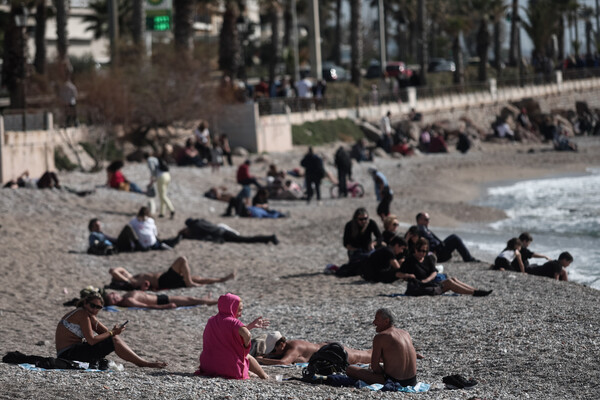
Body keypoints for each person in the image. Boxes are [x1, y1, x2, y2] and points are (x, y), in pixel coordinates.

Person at [55, 292, 167, 368]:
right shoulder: (82, 314)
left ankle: (142, 362)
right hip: (68, 354)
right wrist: (112, 332)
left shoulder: (87, 315)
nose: (94, 309)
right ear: (85, 303)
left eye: (98, 307)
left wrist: (110, 331)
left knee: (113, 338)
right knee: (113, 339)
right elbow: (92, 340)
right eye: (92, 306)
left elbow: (105, 333)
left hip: (72, 352)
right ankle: (142, 363)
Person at [196, 293, 269, 379]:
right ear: (232, 308)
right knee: (247, 357)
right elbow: (247, 335)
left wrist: (250, 326)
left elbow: (229, 334)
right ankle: (264, 376)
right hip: (230, 369)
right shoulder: (234, 323)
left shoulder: (211, 320)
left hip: (208, 367)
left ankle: (249, 372)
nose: (240, 314)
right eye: (239, 310)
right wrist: (245, 347)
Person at [345, 308, 417, 386]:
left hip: (395, 381)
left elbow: (375, 367)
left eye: (376, 319)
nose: (374, 322)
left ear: (386, 321)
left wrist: (378, 372)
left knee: (350, 369)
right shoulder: (405, 333)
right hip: (412, 381)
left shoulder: (381, 337)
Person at [398, 238, 492, 296]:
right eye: (420, 250)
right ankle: (474, 293)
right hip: (419, 288)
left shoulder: (427, 258)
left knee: (453, 279)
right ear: (415, 249)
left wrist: (427, 280)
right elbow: (398, 273)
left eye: (424, 251)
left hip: (429, 284)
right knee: (450, 283)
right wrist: (408, 275)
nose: (422, 253)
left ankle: (475, 290)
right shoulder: (410, 260)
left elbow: (434, 271)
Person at [107, 256, 235, 291]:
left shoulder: (130, 276)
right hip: (164, 281)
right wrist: (124, 278)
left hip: (166, 279)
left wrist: (123, 273)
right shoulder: (130, 281)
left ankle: (221, 279)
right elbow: (113, 270)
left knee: (198, 278)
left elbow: (119, 269)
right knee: (182, 260)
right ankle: (190, 283)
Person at [256, 331, 371, 365]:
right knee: (363, 354)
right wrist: (268, 356)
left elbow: (283, 362)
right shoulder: (286, 347)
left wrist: (261, 360)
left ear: (281, 344)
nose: (274, 353)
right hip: (327, 348)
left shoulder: (294, 347)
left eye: (274, 350)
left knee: (365, 356)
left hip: (332, 352)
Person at [336, 236, 408, 283]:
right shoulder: (389, 252)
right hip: (375, 276)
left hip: (369, 274)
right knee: (398, 274)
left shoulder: (386, 249)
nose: (401, 251)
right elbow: (398, 268)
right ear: (396, 245)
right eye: (402, 248)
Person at [179, 218, 279, 245]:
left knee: (246, 239)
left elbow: (199, 236)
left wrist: (185, 235)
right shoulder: (201, 221)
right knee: (246, 238)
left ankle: (269, 237)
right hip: (223, 230)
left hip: (222, 234)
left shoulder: (196, 227)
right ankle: (266, 239)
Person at [103, 290, 217, 309]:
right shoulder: (128, 301)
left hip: (160, 297)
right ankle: (216, 302)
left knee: (190, 299)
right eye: (113, 299)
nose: (115, 296)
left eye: (113, 294)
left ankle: (204, 300)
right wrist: (165, 306)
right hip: (162, 301)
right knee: (190, 299)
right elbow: (146, 306)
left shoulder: (125, 296)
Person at [144, 152, 175, 219]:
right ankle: (162, 213)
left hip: (161, 177)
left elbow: (152, 170)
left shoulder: (149, 160)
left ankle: (172, 210)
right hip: (167, 176)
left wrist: (152, 180)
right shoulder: (155, 159)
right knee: (162, 195)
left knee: (163, 196)